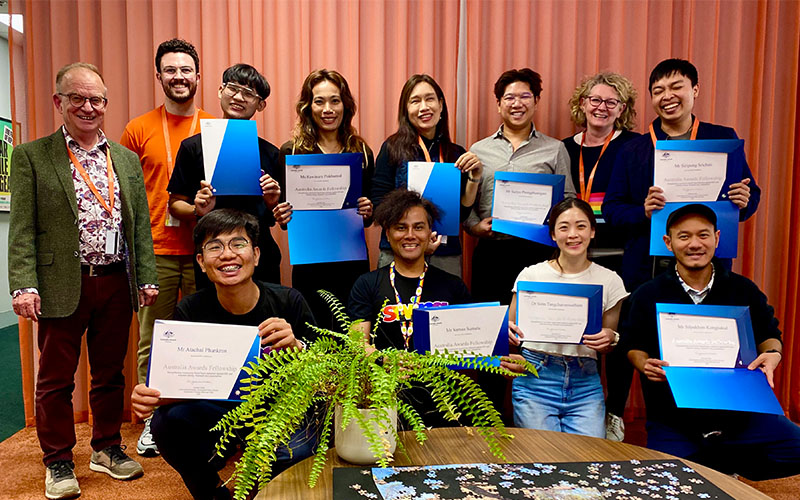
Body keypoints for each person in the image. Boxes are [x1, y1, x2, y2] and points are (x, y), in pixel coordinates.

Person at [8, 63, 157, 499]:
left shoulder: (126, 160)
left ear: (106, 105)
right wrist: (23, 284)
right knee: (56, 378)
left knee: (111, 373)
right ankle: (57, 459)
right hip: (60, 283)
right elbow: (21, 228)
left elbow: (140, 227)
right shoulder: (33, 156)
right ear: (59, 102)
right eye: (78, 98)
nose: (88, 107)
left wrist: (145, 275)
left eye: (96, 100)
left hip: (114, 281)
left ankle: (107, 447)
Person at [131, 209, 318, 500]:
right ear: (201, 262)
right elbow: (177, 384)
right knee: (165, 423)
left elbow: (328, 368)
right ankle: (213, 494)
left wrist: (297, 346)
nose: (227, 255)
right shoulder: (190, 311)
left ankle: (263, 481)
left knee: (295, 452)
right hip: (219, 410)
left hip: (281, 409)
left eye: (238, 244)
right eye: (214, 247)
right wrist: (150, 395)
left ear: (256, 255)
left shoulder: (288, 301)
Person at [621, 203, 800, 480]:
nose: (695, 244)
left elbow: (769, 335)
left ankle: (727, 465)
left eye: (703, 235)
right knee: (661, 479)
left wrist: (772, 354)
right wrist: (644, 364)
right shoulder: (648, 293)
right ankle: (717, 466)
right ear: (668, 243)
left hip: (740, 412)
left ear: (717, 238)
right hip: (674, 418)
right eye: (684, 236)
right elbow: (633, 344)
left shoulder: (743, 289)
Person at [120, 38, 215, 457]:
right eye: (170, 70)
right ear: (158, 77)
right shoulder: (137, 129)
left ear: (199, 75)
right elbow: (121, 192)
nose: (179, 76)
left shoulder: (217, 129)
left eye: (186, 69)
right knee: (153, 337)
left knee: (206, 335)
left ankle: (201, 414)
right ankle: (150, 421)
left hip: (208, 252)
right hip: (154, 248)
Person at [602, 58, 760, 293]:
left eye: (676, 87)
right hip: (647, 269)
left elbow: (750, 196)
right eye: (658, 91)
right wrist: (643, 211)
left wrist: (744, 200)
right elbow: (611, 209)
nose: (667, 96)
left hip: (709, 266)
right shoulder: (633, 149)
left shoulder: (721, 139)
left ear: (695, 89)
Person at [505, 198, 627, 438]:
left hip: (585, 383)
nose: (573, 234)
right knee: (542, 462)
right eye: (563, 227)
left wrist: (610, 338)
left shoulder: (610, 280)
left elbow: (608, 345)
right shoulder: (532, 275)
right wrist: (507, 332)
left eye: (581, 226)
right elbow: (510, 334)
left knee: (588, 462)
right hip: (536, 377)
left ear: (592, 231)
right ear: (552, 234)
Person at [348, 189, 471, 426]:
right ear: (388, 233)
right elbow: (356, 345)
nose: (410, 235)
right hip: (383, 401)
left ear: (429, 233)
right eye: (401, 227)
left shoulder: (453, 286)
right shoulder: (367, 285)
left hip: (444, 405)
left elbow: (473, 347)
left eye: (418, 227)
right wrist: (386, 360)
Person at [563, 72, 640, 442]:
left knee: (617, 334)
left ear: (622, 110)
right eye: (595, 100)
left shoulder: (637, 146)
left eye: (611, 102)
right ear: (582, 103)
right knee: (578, 331)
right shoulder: (564, 147)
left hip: (620, 251)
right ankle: (576, 403)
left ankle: (614, 412)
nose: (601, 107)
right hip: (574, 250)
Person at [272, 69, 374, 329]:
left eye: (335, 100)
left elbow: (370, 214)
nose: (328, 109)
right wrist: (282, 214)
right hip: (310, 263)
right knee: (311, 332)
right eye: (319, 101)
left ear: (345, 105)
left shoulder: (361, 151)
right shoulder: (291, 151)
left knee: (353, 337)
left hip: (351, 261)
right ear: (308, 106)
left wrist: (367, 209)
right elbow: (285, 218)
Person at [166, 63, 282, 288]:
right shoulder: (192, 148)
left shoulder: (271, 153)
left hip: (260, 255)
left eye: (249, 94)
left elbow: (275, 218)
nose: (238, 97)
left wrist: (272, 203)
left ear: (261, 104)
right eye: (233, 88)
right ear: (221, 91)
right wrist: (196, 209)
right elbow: (174, 204)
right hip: (213, 251)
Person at [466, 68, 576, 305]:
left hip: (537, 254)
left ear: (536, 101)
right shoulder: (478, 150)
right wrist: (474, 227)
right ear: (498, 104)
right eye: (509, 97)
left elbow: (569, 201)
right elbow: (467, 202)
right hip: (490, 252)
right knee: (491, 322)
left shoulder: (555, 149)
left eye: (525, 96)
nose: (517, 104)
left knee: (533, 321)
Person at [371, 74, 483, 277]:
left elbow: (461, 214)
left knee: (443, 308)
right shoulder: (392, 148)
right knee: (396, 309)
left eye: (430, 99)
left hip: (445, 253)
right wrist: (417, 241)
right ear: (406, 109)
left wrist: (475, 177)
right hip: (400, 250)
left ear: (441, 105)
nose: (424, 107)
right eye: (415, 101)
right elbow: (379, 205)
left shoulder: (455, 153)